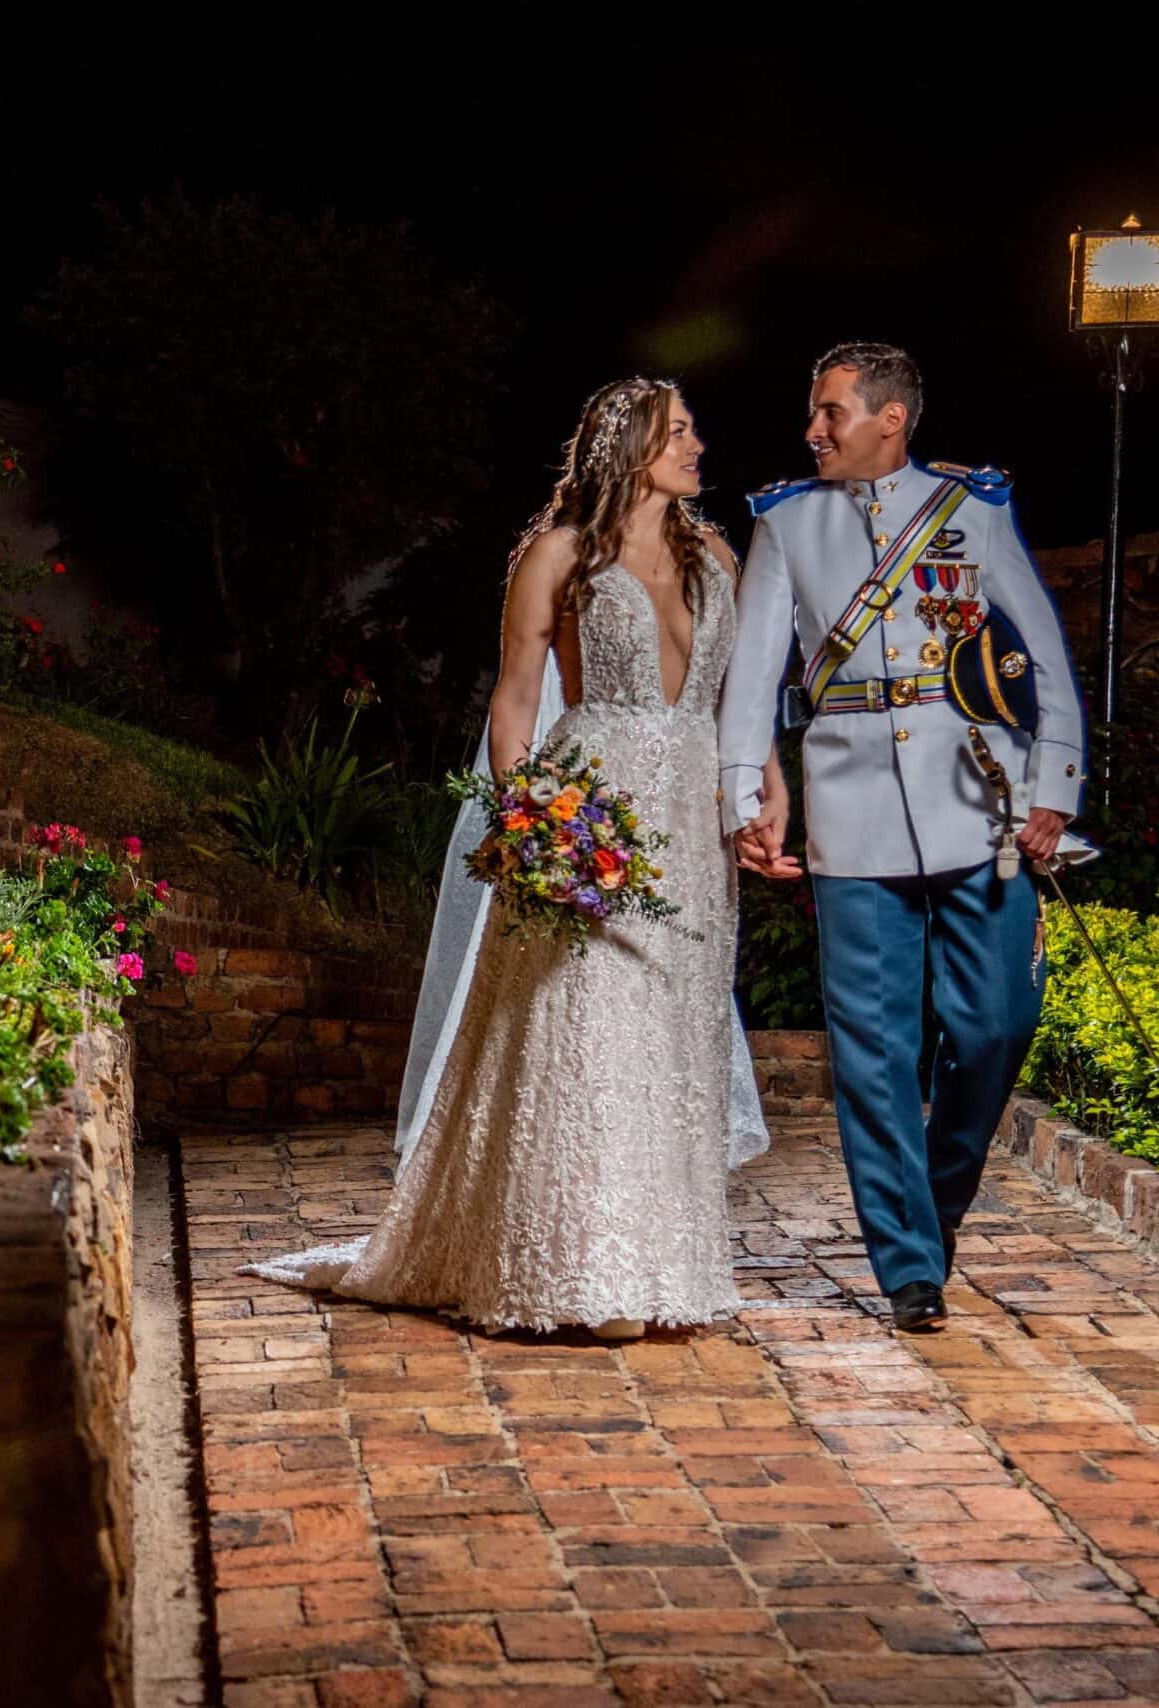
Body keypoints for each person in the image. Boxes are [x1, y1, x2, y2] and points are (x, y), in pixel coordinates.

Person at [243, 377, 770, 1338]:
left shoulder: (720, 559)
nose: (698, 445)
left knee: (672, 1043)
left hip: (693, 828)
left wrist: (763, 785)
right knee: (584, 1032)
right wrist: (524, 818)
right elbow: (516, 701)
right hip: (592, 811)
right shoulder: (559, 556)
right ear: (630, 444)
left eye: (694, 428)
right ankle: (579, 1264)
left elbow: (743, 698)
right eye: (679, 431)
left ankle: (660, 1262)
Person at [719, 342, 1086, 1334]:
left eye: (829, 412)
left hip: (981, 802)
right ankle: (909, 1264)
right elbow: (753, 675)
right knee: (874, 1051)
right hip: (850, 810)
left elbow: (1039, 653)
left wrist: (1053, 784)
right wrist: (742, 799)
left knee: (996, 1023)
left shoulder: (974, 512)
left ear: (890, 419)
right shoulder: (785, 523)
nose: (813, 430)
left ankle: (929, 1203)